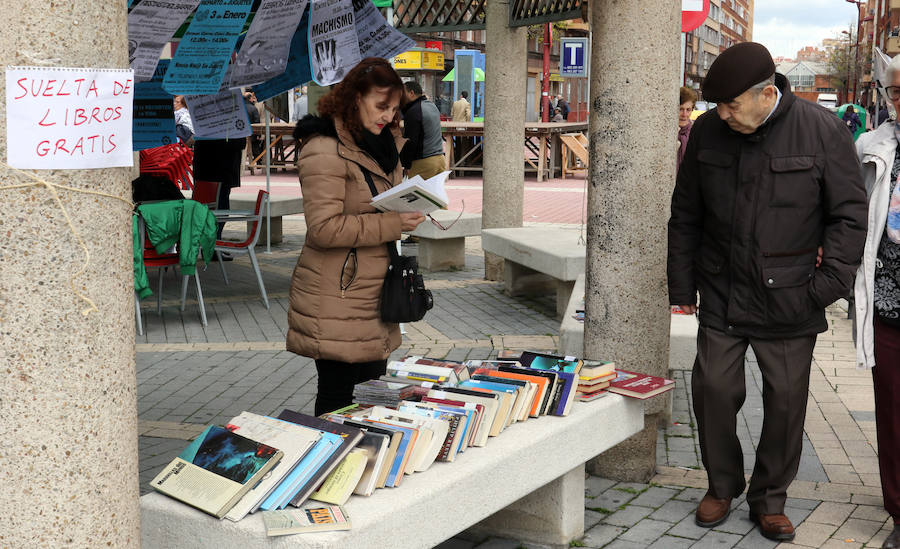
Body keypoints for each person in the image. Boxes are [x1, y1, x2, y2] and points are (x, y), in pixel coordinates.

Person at [667, 42, 866, 542]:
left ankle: (770, 499)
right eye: (718, 105)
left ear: (766, 93)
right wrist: (682, 283)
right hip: (723, 290)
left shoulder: (822, 130)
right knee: (712, 391)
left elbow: (848, 214)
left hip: (793, 297)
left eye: (732, 104)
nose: (723, 114)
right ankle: (721, 486)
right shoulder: (710, 132)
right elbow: (686, 212)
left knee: (785, 404)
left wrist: (827, 285)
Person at [287, 58, 426, 416]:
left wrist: (412, 205)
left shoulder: (384, 144)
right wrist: (394, 224)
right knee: (338, 398)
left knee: (372, 397)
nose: (388, 116)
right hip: (339, 292)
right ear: (354, 98)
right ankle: (329, 469)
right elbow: (323, 228)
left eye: (395, 109)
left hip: (375, 290)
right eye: (381, 106)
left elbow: (380, 205)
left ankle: (365, 466)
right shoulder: (323, 148)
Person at [853, 55, 900, 549]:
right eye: (898, 92)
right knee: (892, 411)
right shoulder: (872, 146)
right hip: (889, 305)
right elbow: (850, 213)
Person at [400, 80, 445, 179]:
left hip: (424, 162)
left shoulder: (414, 111)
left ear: (411, 93)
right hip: (440, 159)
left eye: (403, 93)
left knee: (415, 194)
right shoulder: (432, 106)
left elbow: (411, 140)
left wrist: (406, 164)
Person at [677, 86, 697, 172]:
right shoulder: (665, 132)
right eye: (680, 109)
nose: (684, 114)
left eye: (688, 110)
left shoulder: (696, 132)